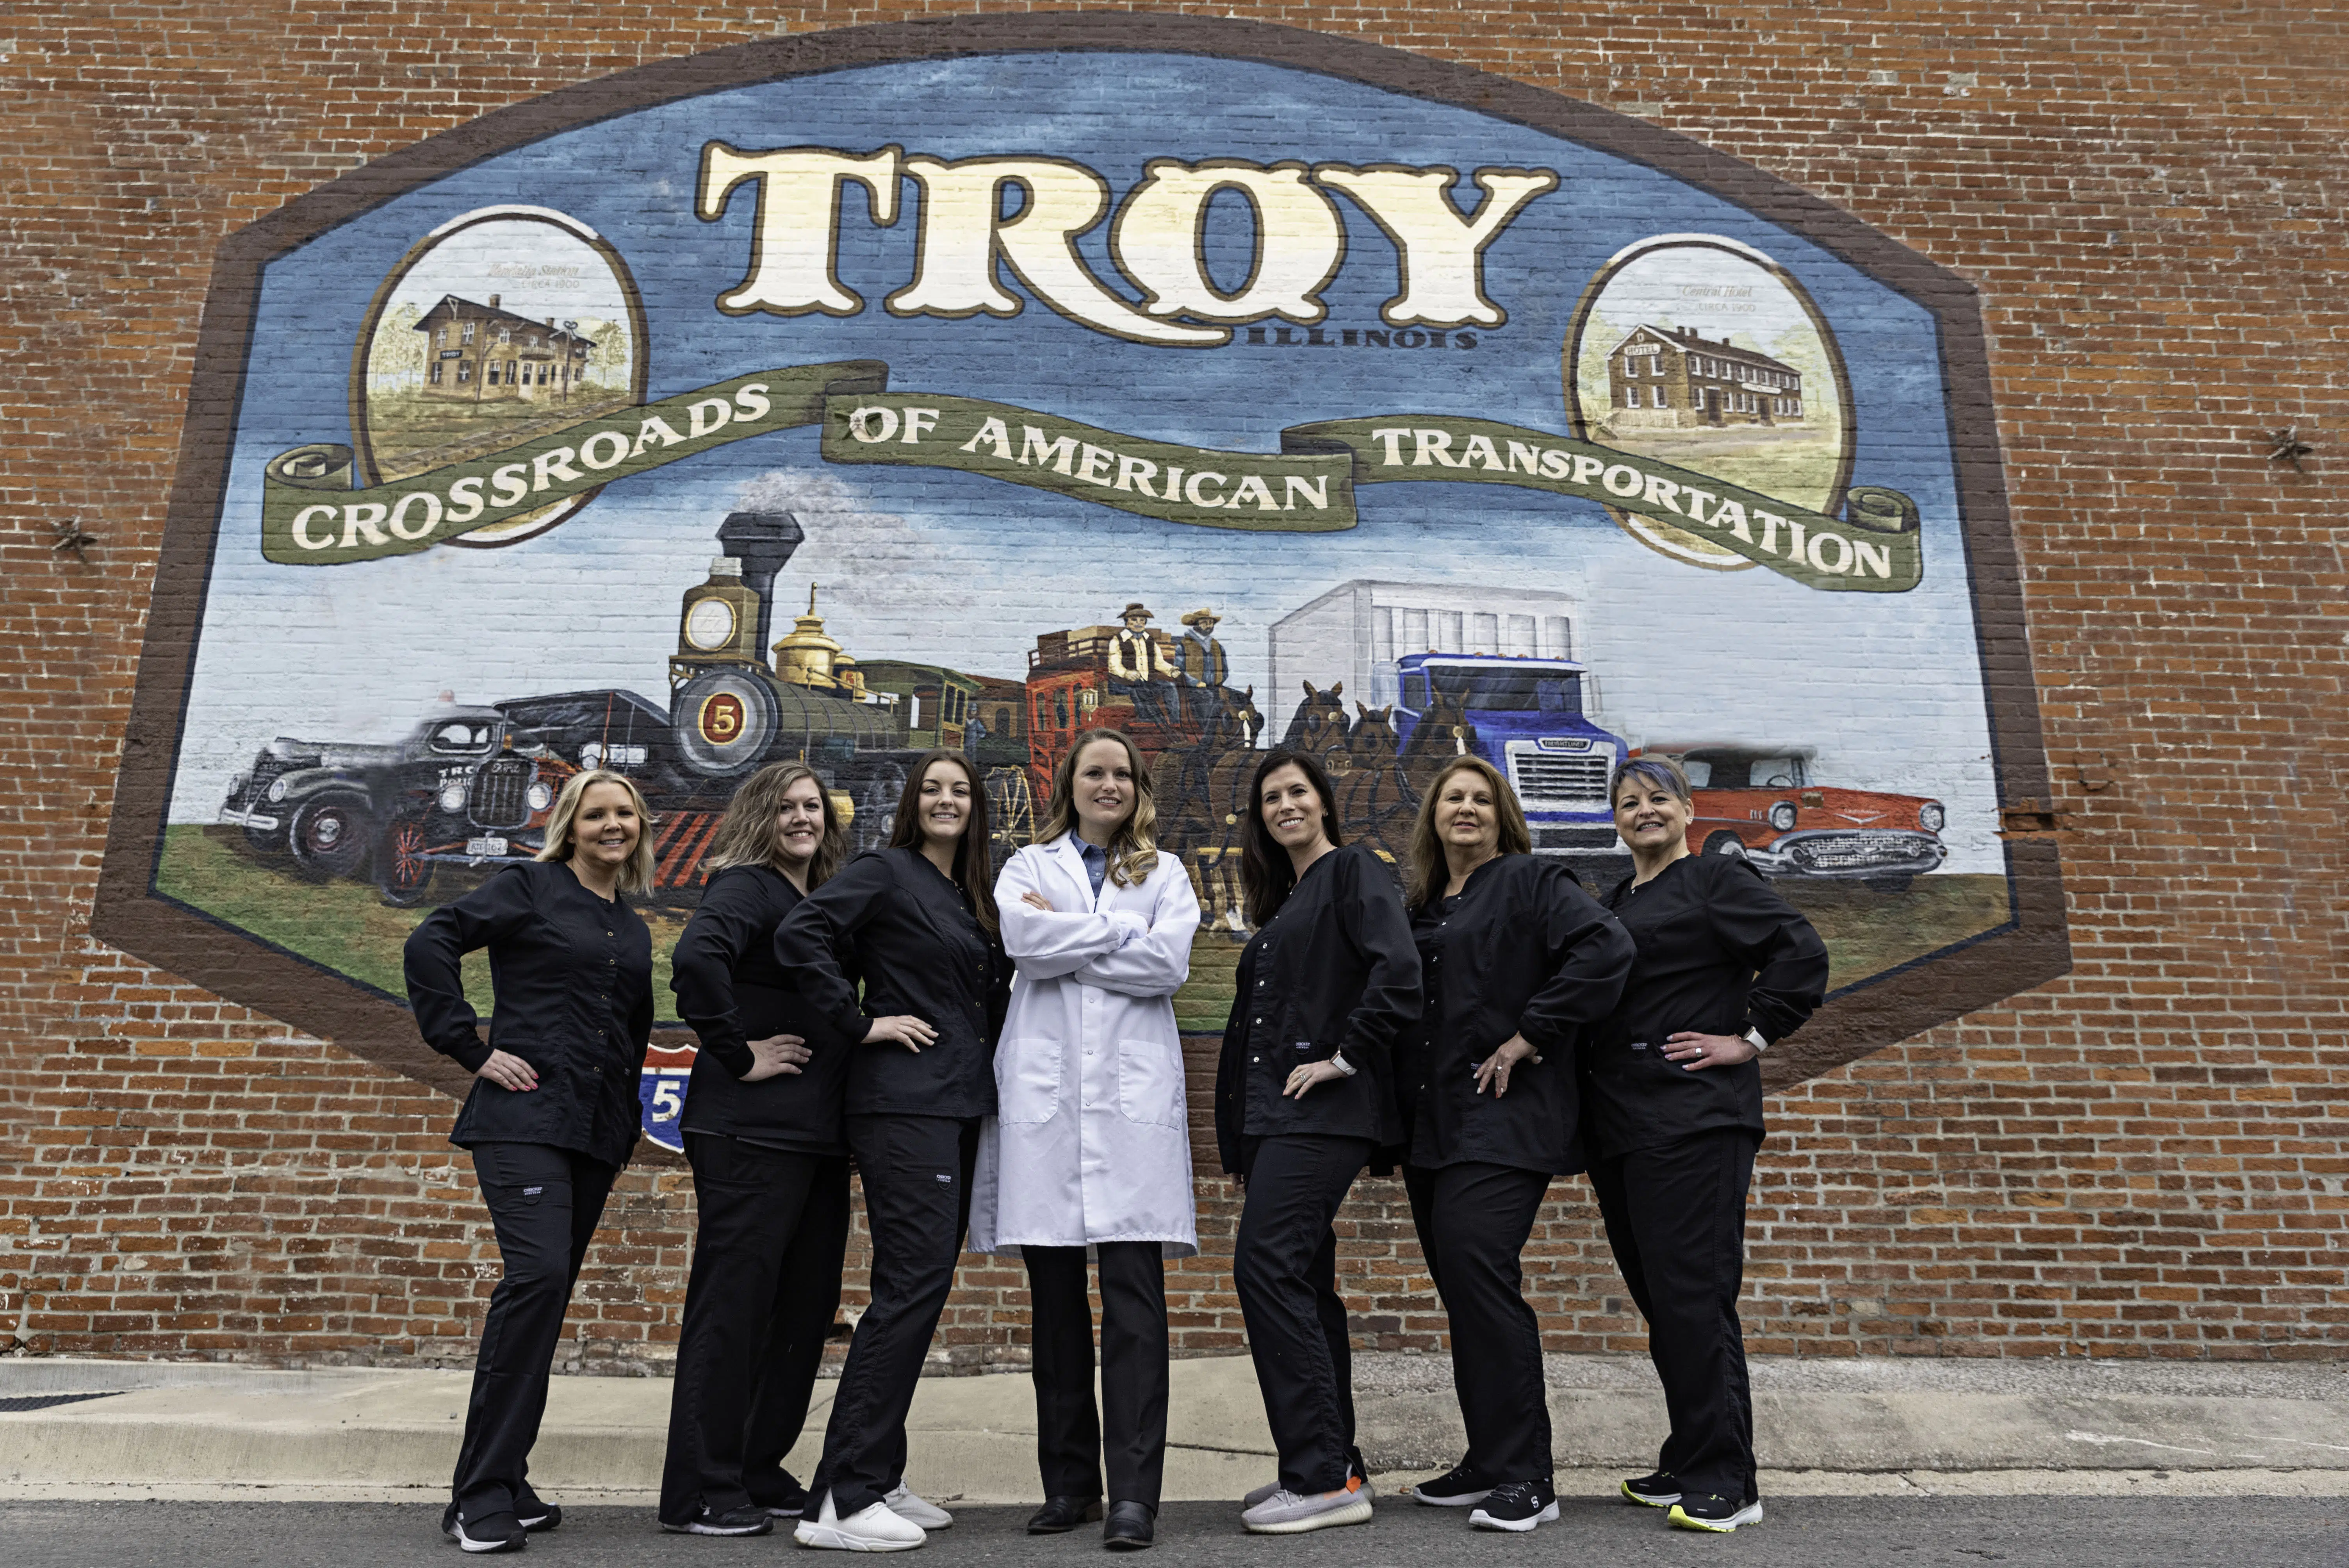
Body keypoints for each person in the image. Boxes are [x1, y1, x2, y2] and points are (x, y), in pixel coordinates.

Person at [403, 769, 656, 1555]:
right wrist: (470, 1046)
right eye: (597, 814)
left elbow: (631, 1031)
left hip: (593, 1135)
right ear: (571, 827)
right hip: (523, 1121)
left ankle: (507, 1476)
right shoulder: (530, 887)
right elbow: (430, 939)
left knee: (546, 1301)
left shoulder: (635, 926)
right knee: (535, 1279)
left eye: (626, 814)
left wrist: (627, 1123)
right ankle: (475, 1495)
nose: (613, 826)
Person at [1584, 755, 1830, 1535]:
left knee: (1694, 1297)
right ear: (1614, 820)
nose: (1643, 811)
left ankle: (1728, 1476)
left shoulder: (1715, 881)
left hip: (1694, 1122)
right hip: (1622, 1128)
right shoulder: (1620, 898)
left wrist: (1747, 1038)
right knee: (1663, 1302)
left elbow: (1801, 952)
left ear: (1687, 809)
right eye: (1628, 802)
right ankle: (1689, 1454)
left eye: (1657, 798)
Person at [776, 749, 1013, 1552]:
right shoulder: (884, 872)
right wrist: (858, 1020)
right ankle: (840, 1501)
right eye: (933, 789)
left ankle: (873, 1473)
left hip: (951, 1105)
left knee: (917, 1286)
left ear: (975, 807)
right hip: (901, 1105)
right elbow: (802, 930)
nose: (947, 799)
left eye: (961, 790)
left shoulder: (965, 894)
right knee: (910, 1286)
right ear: (913, 803)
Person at [971, 731, 1202, 1552]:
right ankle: (1068, 1483)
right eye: (1092, 773)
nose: (1107, 784)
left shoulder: (1166, 873)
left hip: (1129, 1111)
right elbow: (1021, 946)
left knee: (1135, 1308)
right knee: (1056, 1307)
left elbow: (1167, 968)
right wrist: (1110, 936)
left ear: (1138, 788)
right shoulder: (1027, 869)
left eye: (1121, 773)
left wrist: (1069, 937)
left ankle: (1133, 1496)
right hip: (1045, 1104)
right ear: (1068, 786)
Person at [1392, 758, 1634, 1532]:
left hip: (1504, 1121)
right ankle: (1489, 1458)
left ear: (1502, 817)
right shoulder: (1422, 905)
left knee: (1480, 1274)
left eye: (1480, 799)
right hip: (1432, 1128)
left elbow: (1605, 949)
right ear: (1433, 815)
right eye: (1452, 797)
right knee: (1462, 1289)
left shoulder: (1532, 883)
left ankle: (1529, 1475)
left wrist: (1529, 1033)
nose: (1465, 808)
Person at [1213, 748, 1420, 1535]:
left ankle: (1319, 1476)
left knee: (1263, 1268)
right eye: (1269, 797)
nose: (1283, 804)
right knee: (1300, 1281)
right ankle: (1336, 1463)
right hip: (1279, 1123)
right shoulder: (1290, 898)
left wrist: (1344, 1056)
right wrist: (1245, 1141)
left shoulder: (1354, 871)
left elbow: (1396, 973)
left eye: (1296, 791)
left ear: (1323, 803)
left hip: (1325, 1116)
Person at [659, 763, 855, 1536]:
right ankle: (699, 1488)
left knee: (802, 1309)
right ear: (758, 817)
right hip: (748, 1131)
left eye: (811, 806)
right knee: (733, 1310)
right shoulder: (745, 884)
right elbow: (696, 962)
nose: (801, 818)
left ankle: (756, 1463)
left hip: (812, 1137)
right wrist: (740, 1054)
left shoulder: (817, 898)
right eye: (785, 807)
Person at [1106, 602, 1178, 727]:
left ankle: (1175, 722)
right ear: (1127, 622)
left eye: (1142, 620)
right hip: (1122, 683)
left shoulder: (1150, 641)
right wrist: (1127, 673)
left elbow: (1158, 662)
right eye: (1134, 620)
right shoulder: (1118, 640)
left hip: (1147, 681)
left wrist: (1171, 670)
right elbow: (1114, 665)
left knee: (1170, 687)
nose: (1139, 623)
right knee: (1138, 690)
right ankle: (1148, 723)